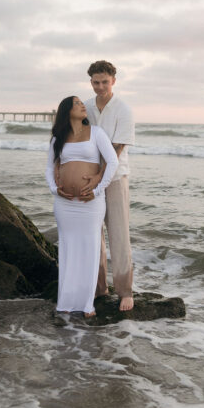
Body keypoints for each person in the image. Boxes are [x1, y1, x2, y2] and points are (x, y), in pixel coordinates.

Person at [45, 96, 119, 317]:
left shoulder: (96, 133)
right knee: (68, 249)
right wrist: (55, 189)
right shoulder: (57, 138)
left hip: (91, 204)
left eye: (82, 103)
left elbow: (112, 162)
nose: (82, 106)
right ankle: (66, 301)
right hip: (64, 204)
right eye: (77, 103)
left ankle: (87, 304)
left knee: (90, 249)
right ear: (67, 111)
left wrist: (97, 190)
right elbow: (49, 169)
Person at [84, 60, 135, 312]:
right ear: (91, 82)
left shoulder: (123, 109)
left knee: (118, 234)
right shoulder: (85, 107)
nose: (100, 86)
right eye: (96, 82)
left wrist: (100, 176)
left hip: (114, 177)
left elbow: (117, 148)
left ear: (113, 81)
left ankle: (125, 290)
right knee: (94, 235)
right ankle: (99, 288)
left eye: (105, 81)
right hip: (90, 177)